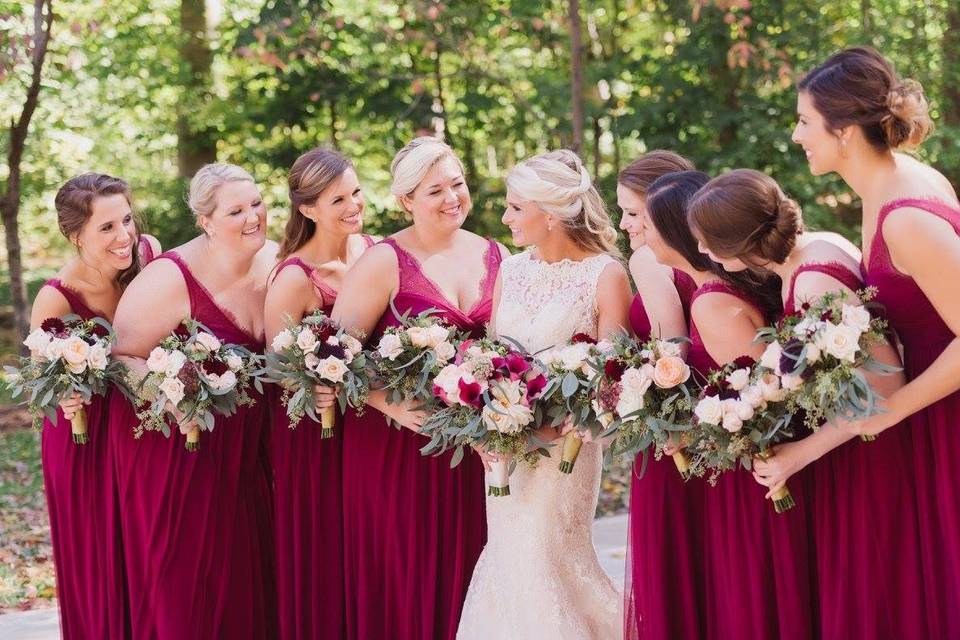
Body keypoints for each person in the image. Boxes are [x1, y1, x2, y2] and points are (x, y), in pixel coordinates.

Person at [690, 167, 925, 638]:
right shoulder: (816, 246)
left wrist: (800, 453)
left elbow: (885, 387)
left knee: (872, 595)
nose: (701, 252)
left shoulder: (813, 279)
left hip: (871, 454)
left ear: (740, 246)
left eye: (708, 242)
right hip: (858, 444)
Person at [792, 45, 959, 637]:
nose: (797, 135)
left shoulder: (907, 214)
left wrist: (886, 414)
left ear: (843, 130)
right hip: (922, 413)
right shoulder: (879, 189)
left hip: (942, 420)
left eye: (806, 122)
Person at [331, 137, 508, 640]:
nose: (452, 197)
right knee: (404, 574)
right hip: (395, 445)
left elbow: (510, 351)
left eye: (457, 184)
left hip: (471, 445)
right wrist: (387, 401)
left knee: (471, 570)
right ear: (406, 200)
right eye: (435, 190)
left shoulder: (496, 255)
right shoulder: (383, 261)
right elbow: (330, 355)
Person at [457, 149, 631, 639]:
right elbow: (489, 362)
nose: (506, 217)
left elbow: (614, 377)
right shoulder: (510, 270)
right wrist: (482, 422)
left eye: (516, 207)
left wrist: (566, 423)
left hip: (564, 453)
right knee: (511, 559)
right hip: (504, 450)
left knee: (548, 561)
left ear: (550, 215)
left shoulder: (606, 275)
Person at [109, 163, 278, 639]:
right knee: (190, 588)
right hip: (183, 452)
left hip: (254, 455)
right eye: (236, 210)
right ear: (205, 221)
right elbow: (121, 356)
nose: (253, 218)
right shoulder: (170, 278)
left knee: (252, 580)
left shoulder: (277, 260)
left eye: (257, 203)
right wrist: (172, 396)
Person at [30, 173, 159, 639]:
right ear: (74, 234)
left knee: (150, 554)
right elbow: (46, 381)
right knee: (99, 558)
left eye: (126, 219)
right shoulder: (56, 297)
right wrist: (65, 391)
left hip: (144, 429)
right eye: (106, 228)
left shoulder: (150, 256)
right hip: (85, 436)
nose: (124, 235)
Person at [264, 147, 377, 640]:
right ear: (307, 209)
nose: (354, 205)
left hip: (376, 431)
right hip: (319, 437)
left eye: (355, 192)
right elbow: (277, 365)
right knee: (328, 551)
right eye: (339, 199)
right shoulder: (294, 277)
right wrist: (311, 388)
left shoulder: (374, 251)